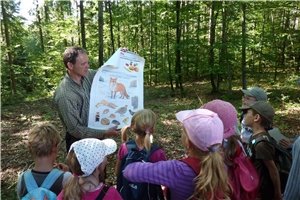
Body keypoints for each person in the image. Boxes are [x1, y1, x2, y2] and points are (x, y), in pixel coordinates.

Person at [123, 109, 232, 200]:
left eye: (184, 132)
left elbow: (129, 171)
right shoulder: (223, 166)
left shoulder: (176, 170)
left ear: (188, 143)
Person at [53, 46, 120, 152]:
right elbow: (75, 129)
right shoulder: (65, 95)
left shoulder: (87, 76)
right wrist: (103, 132)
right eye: (83, 64)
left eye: (87, 62)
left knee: (100, 168)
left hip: (97, 137)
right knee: (83, 169)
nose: (87, 66)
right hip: (79, 144)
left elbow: (103, 72)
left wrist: (119, 57)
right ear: (70, 65)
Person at [17, 123, 72, 199]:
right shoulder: (66, 178)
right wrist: (67, 173)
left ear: (30, 150)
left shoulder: (22, 178)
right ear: (55, 148)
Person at [241, 101, 282, 200]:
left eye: (247, 113)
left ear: (256, 118)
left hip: (262, 193)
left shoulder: (261, 144)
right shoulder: (254, 136)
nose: (244, 115)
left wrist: (277, 193)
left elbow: (273, 170)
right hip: (255, 188)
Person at [57, 138, 122, 200]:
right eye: (104, 156)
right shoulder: (111, 194)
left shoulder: (66, 193)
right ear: (97, 168)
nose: (107, 158)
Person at [115, 109, 167, 175]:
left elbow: (117, 172)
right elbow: (164, 175)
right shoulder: (158, 153)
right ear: (152, 129)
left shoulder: (124, 147)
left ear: (133, 128)